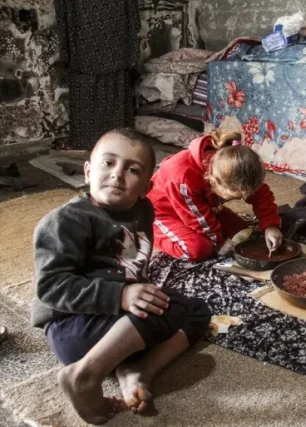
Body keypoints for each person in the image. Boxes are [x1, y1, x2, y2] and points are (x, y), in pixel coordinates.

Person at [31, 129, 212, 424]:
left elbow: (132, 264)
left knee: (194, 309)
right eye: (108, 163)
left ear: (145, 187)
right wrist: (121, 295)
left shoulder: (143, 210)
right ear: (88, 171)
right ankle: (85, 374)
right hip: (74, 326)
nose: (117, 175)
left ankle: (138, 371)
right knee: (163, 310)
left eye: (132, 170)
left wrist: (135, 292)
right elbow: (50, 287)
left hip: (117, 323)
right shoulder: (66, 221)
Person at [148, 130, 282, 262]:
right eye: (232, 197)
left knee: (240, 230)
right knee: (199, 249)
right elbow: (197, 218)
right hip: (162, 213)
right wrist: (218, 242)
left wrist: (270, 225)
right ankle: (153, 233)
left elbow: (261, 195)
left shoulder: (236, 166)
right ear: (213, 182)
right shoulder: (182, 177)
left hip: (200, 206)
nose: (238, 199)